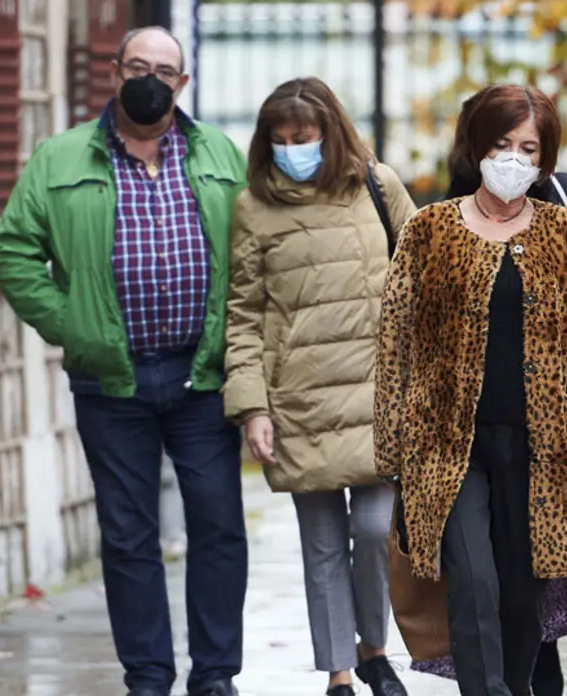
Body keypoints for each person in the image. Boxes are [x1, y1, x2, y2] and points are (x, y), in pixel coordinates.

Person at [0, 27, 248, 696]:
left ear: (182, 84)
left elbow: (254, 255)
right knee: (129, 537)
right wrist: (73, 327)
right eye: (139, 66)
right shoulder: (59, 157)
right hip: (111, 379)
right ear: (114, 71)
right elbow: (13, 253)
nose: (151, 80)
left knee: (218, 526)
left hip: (202, 375)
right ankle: (148, 677)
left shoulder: (218, 152)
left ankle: (215, 675)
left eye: (165, 70)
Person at [374, 84, 567, 696]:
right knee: (474, 582)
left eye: (529, 147)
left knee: (520, 597)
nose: (513, 158)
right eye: (502, 143)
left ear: (545, 158)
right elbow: (395, 343)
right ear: (477, 148)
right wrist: (396, 445)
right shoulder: (429, 231)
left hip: (543, 452)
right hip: (447, 448)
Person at [223, 77, 415, 696]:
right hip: (299, 402)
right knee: (323, 544)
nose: (290, 149)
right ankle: (339, 673)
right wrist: (252, 406)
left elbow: (425, 282)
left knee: (375, 530)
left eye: (301, 138)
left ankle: (374, 649)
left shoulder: (379, 188)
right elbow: (244, 315)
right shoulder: (254, 207)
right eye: (277, 140)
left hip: (380, 397)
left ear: (329, 132)